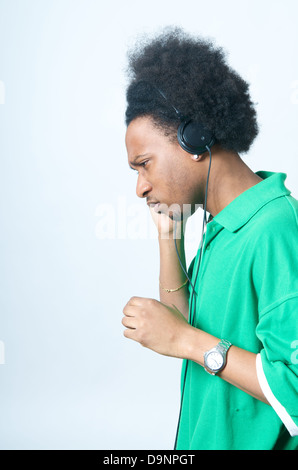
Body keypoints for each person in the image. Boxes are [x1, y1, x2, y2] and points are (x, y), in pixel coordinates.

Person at [121, 26, 298, 450]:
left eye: (144, 164)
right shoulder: (222, 225)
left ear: (194, 139)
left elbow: (293, 385)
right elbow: (188, 324)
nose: (140, 187)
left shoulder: (274, 228)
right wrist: (170, 238)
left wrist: (185, 340)